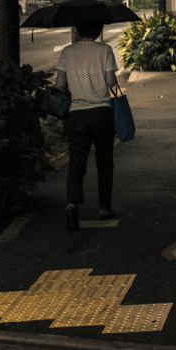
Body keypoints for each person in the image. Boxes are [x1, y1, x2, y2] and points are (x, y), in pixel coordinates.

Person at [55, 19, 119, 231]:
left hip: (77, 115)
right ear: (99, 29)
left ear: (78, 29)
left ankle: (72, 204)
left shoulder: (67, 52)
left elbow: (60, 85)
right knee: (104, 162)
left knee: (76, 163)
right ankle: (104, 207)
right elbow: (111, 83)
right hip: (102, 113)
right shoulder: (105, 50)